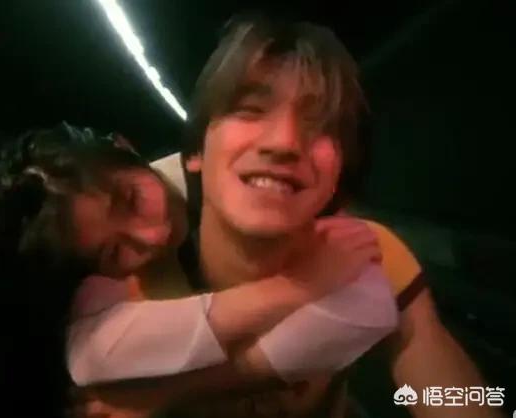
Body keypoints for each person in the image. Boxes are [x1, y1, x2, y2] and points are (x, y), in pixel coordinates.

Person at [121, 13, 502, 418]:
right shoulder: (132, 289)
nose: (285, 142)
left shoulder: (367, 254)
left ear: (338, 174)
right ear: (196, 151)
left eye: (321, 125)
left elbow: (443, 387)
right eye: (250, 110)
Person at [0, 123, 390, 418]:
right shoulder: (95, 295)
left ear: (126, 147)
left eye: (131, 200)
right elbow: (91, 354)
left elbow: (370, 306)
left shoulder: (235, 176)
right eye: (115, 252)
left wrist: (169, 391)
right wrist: (301, 287)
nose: (152, 237)